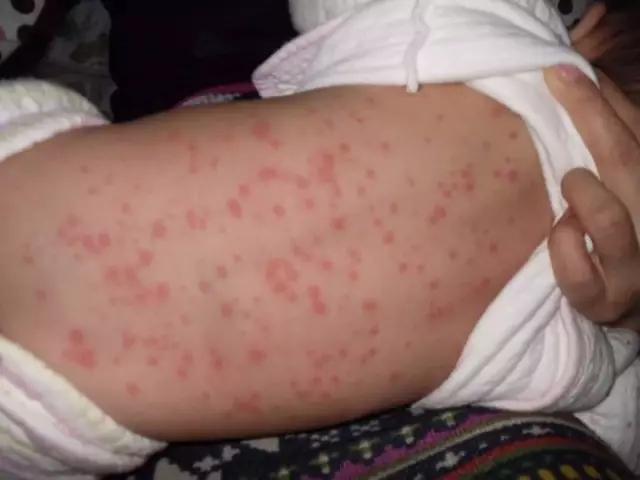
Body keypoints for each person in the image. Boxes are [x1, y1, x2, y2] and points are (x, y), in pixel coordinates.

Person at [0, 0, 639, 478]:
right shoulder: (570, 322)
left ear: (591, 24)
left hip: (37, 180)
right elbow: (613, 421)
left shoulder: (478, 23)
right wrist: (626, 332)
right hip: (54, 411)